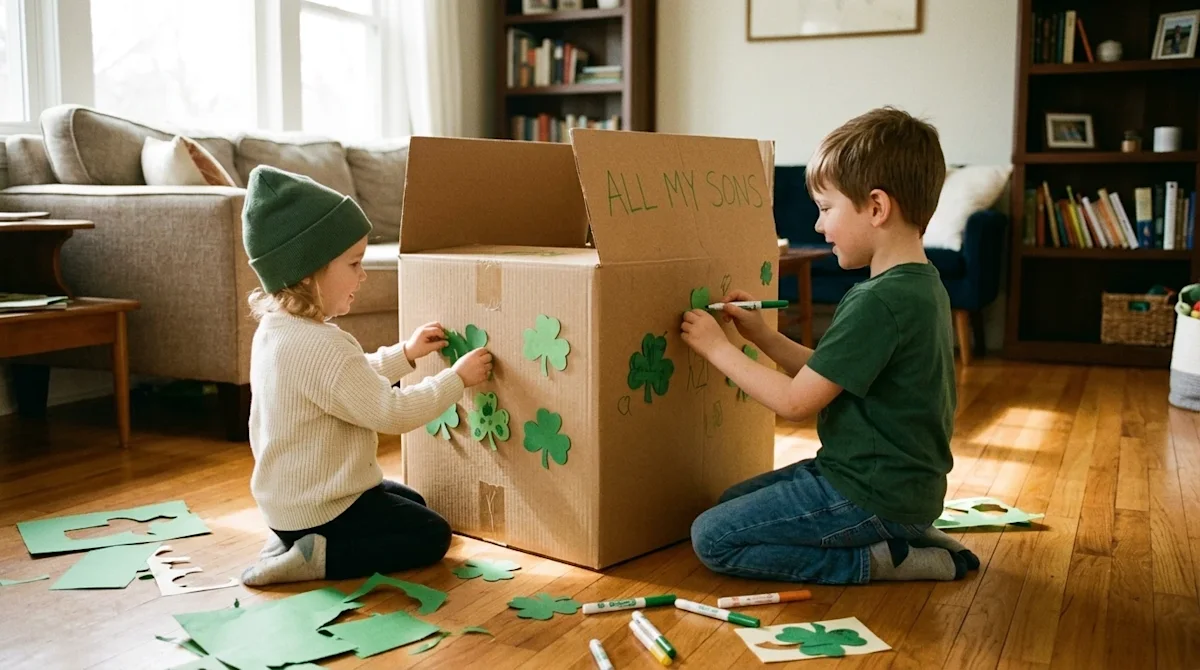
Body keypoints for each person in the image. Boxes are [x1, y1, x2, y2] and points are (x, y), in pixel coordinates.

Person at [682, 107, 978, 585]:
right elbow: (830, 371)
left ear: (877, 208)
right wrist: (763, 336)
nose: (818, 227)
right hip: (896, 489)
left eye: (825, 209)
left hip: (870, 493)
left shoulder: (878, 301)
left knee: (713, 537)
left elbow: (797, 402)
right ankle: (910, 534)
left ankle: (881, 559)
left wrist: (717, 348)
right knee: (727, 505)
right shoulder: (921, 285)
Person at [237, 165, 492, 586]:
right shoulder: (322, 345)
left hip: (290, 506)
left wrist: (404, 355)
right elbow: (390, 412)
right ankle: (317, 558)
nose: (364, 274)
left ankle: (291, 541)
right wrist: (456, 380)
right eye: (354, 263)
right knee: (431, 534)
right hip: (322, 509)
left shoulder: (276, 331)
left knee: (411, 499)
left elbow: (345, 385)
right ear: (308, 271)